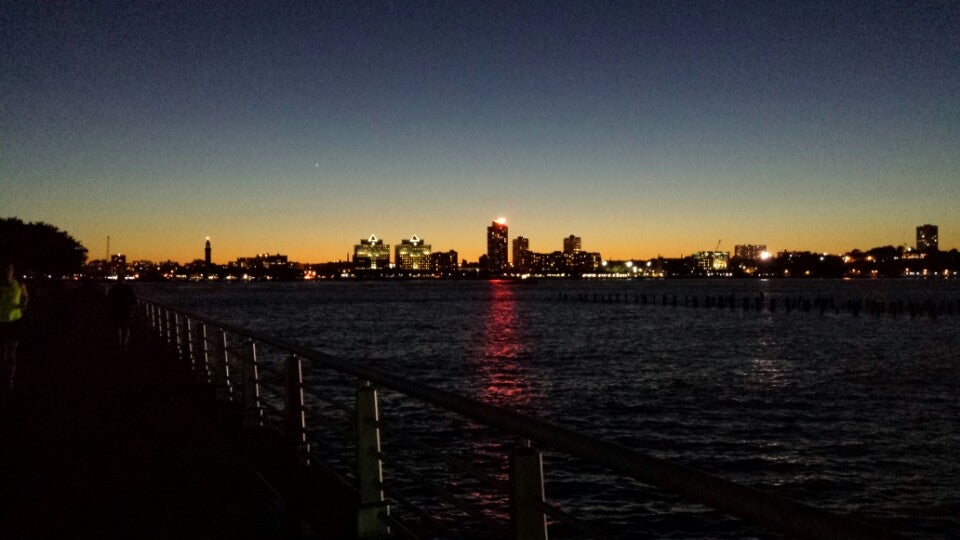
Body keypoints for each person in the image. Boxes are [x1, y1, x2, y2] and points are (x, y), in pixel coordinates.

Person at [1, 260, 28, 402]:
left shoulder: (19, 285)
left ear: (12, 271)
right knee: (4, 354)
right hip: (2, 324)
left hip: (14, 324)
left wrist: (23, 307)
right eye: (5, 269)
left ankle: (9, 381)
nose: (7, 272)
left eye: (9, 269)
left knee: (12, 353)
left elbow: (25, 298)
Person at [107, 273, 137, 353]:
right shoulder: (128, 288)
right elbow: (133, 300)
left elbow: (109, 300)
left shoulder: (113, 288)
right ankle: (124, 344)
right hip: (126, 310)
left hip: (116, 310)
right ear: (124, 279)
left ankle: (119, 344)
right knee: (126, 328)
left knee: (118, 328)